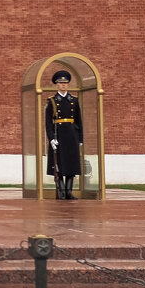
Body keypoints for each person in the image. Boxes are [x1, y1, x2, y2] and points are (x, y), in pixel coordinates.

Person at [45, 70, 83, 200]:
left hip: (71, 135)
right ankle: (61, 192)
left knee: (71, 164)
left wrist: (80, 138)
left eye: (65, 83)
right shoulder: (52, 101)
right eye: (61, 83)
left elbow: (79, 120)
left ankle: (68, 192)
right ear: (56, 84)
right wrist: (51, 139)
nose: (63, 85)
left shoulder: (74, 100)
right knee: (59, 165)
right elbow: (48, 123)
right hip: (59, 135)